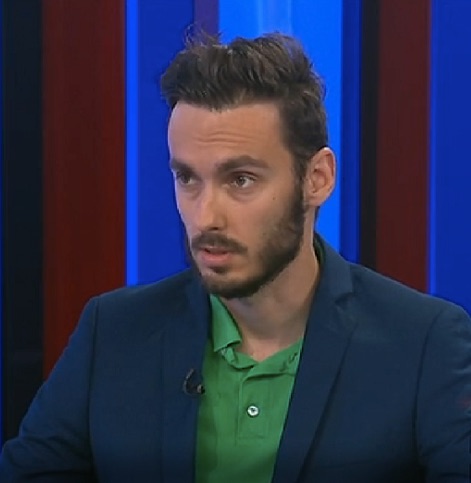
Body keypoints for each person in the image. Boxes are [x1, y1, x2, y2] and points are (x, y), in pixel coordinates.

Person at [1, 33, 470, 483]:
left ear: (317, 179)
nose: (206, 216)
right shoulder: (113, 333)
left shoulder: (425, 344)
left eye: (241, 179)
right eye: (187, 178)